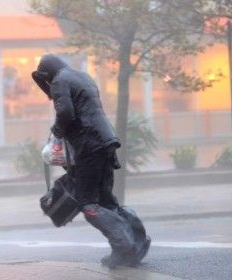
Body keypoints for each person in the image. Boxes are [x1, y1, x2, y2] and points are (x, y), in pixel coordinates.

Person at [32, 53, 150, 268]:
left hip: (89, 146)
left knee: (88, 204)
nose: (48, 84)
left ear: (48, 74)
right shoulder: (81, 76)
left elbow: (66, 113)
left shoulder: (59, 80)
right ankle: (136, 245)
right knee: (107, 201)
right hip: (105, 142)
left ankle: (124, 247)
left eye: (46, 79)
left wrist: (56, 133)